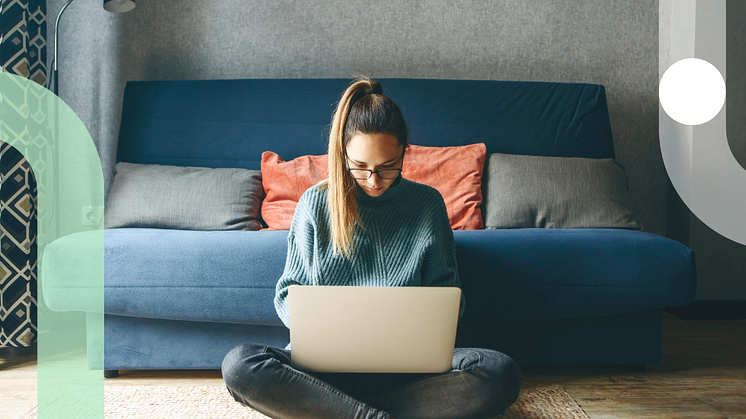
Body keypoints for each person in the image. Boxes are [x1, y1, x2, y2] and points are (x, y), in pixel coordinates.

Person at [221, 76, 522, 419]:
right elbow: (289, 294)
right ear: (343, 153)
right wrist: (321, 328)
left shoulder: (427, 205)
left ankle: (344, 414)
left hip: (410, 374)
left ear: (404, 151)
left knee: (498, 370)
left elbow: (448, 294)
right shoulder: (315, 204)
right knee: (240, 365)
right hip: (324, 374)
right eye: (360, 167)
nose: (374, 180)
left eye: (387, 167)